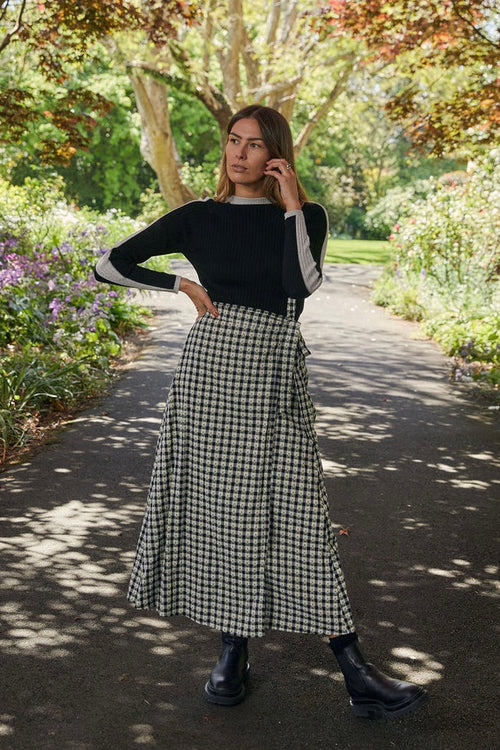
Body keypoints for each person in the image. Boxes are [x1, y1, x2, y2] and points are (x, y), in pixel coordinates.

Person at [94, 104, 427, 720]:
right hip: (212, 372)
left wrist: (294, 205)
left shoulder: (306, 217)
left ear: (275, 154)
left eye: (254, 145)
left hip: (274, 372)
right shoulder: (199, 217)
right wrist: (183, 287)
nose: (240, 154)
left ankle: (351, 671)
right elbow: (108, 263)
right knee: (225, 512)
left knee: (298, 511)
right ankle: (234, 653)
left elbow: (299, 287)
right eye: (232, 142)